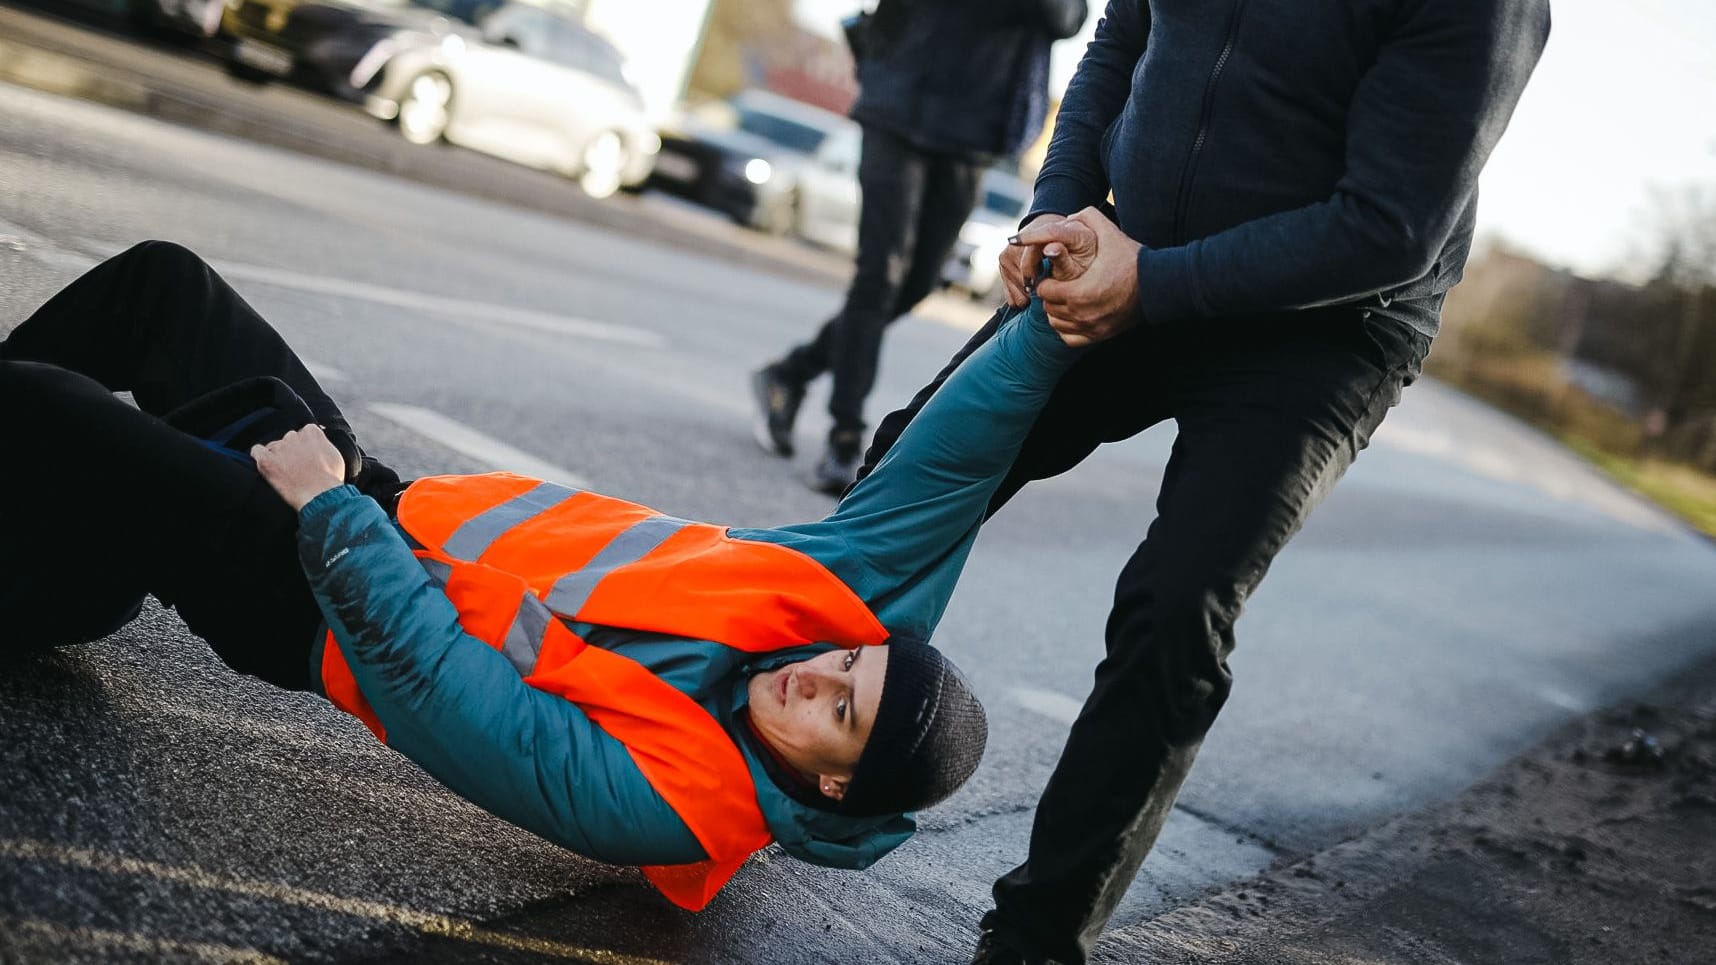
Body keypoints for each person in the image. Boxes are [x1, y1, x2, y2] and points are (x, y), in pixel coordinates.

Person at [0, 241, 1085, 911]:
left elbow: (437, 688)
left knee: (47, 410)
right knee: (164, 287)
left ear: (837, 783)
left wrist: (323, 507)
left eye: (839, 708)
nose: (816, 672)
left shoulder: (670, 807)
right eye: (846, 659)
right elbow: (954, 460)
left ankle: (81, 565)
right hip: (379, 504)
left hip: (313, 600)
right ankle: (85, 568)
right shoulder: (824, 610)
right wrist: (1055, 320)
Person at [853, 1, 1554, 962]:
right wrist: (1064, 201)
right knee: (912, 462)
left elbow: (1388, 225)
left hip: (1326, 325)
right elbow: (1122, 37)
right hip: (1131, 248)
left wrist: (1155, 284)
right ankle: (752, 756)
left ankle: (1035, 939)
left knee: (1176, 603)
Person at [751, 0, 1088, 493]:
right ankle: (845, 436)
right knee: (879, 275)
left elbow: (1065, 19)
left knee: (917, 283)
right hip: (898, 104)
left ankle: (791, 371)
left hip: (971, 131)